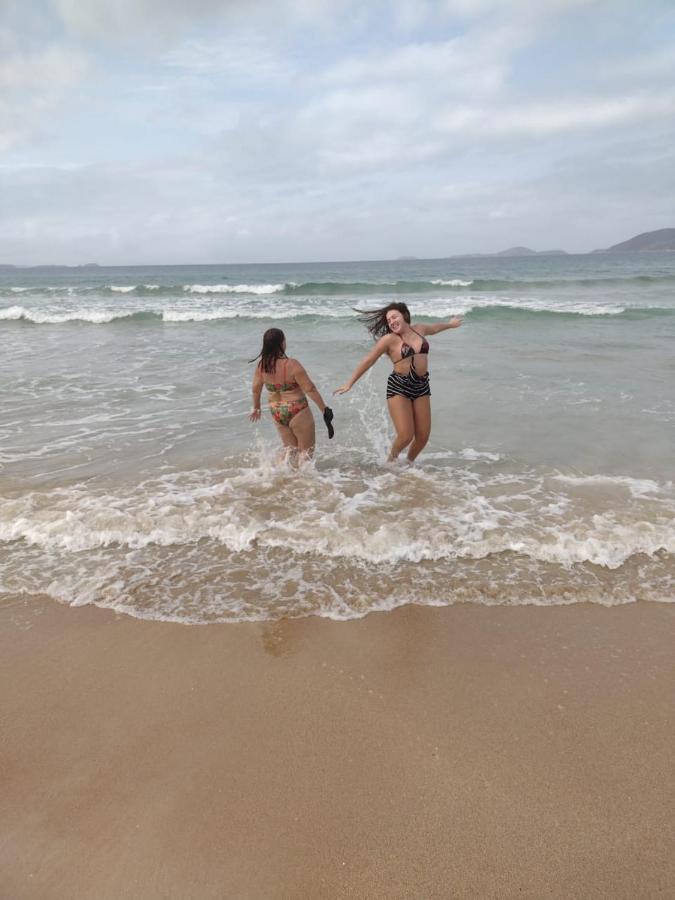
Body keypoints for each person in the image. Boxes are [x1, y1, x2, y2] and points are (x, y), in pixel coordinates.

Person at [333, 302, 461, 463]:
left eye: (394, 317)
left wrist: (450, 324)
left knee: (422, 437)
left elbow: (435, 328)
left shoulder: (419, 329)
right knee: (406, 435)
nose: (391, 321)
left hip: (421, 385)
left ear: (404, 316)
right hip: (399, 386)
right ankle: (391, 461)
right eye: (389, 320)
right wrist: (349, 383)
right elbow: (369, 360)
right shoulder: (389, 340)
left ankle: (408, 463)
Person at [250, 328, 334, 462]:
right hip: (297, 409)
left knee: (289, 450)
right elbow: (310, 388)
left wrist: (257, 407)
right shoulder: (292, 364)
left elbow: (255, 389)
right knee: (306, 452)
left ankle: (277, 474)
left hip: (276, 411)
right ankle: (303, 480)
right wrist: (324, 408)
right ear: (282, 343)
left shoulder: (262, 365)